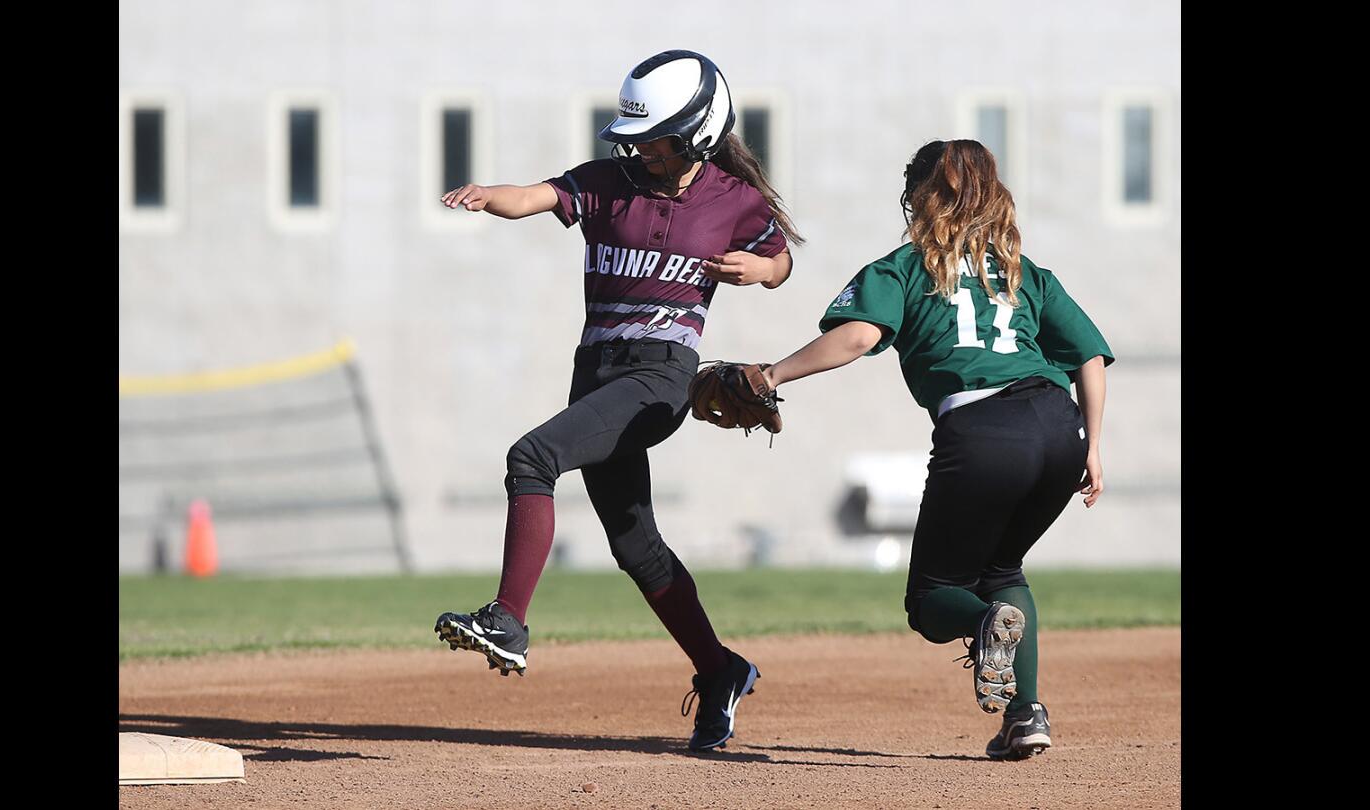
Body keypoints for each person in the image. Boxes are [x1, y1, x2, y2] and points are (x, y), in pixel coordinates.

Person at [432, 49, 804, 752]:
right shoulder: (609, 181)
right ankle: (721, 671)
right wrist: (490, 195)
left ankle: (509, 620)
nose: (639, 147)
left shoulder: (733, 198)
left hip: (660, 379)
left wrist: (762, 269)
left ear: (698, 131)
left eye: (655, 135)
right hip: (596, 373)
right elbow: (536, 196)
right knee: (636, 546)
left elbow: (782, 260)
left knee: (532, 456)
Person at [746, 139, 1110, 760]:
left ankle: (983, 626)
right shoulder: (1026, 273)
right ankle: (1026, 715)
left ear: (918, 196)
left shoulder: (906, 267)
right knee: (1001, 570)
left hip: (984, 428)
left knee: (930, 598)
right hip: (1060, 427)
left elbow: (859, 337)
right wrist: (1093, 448)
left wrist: (773, 374)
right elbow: (1089, 356)